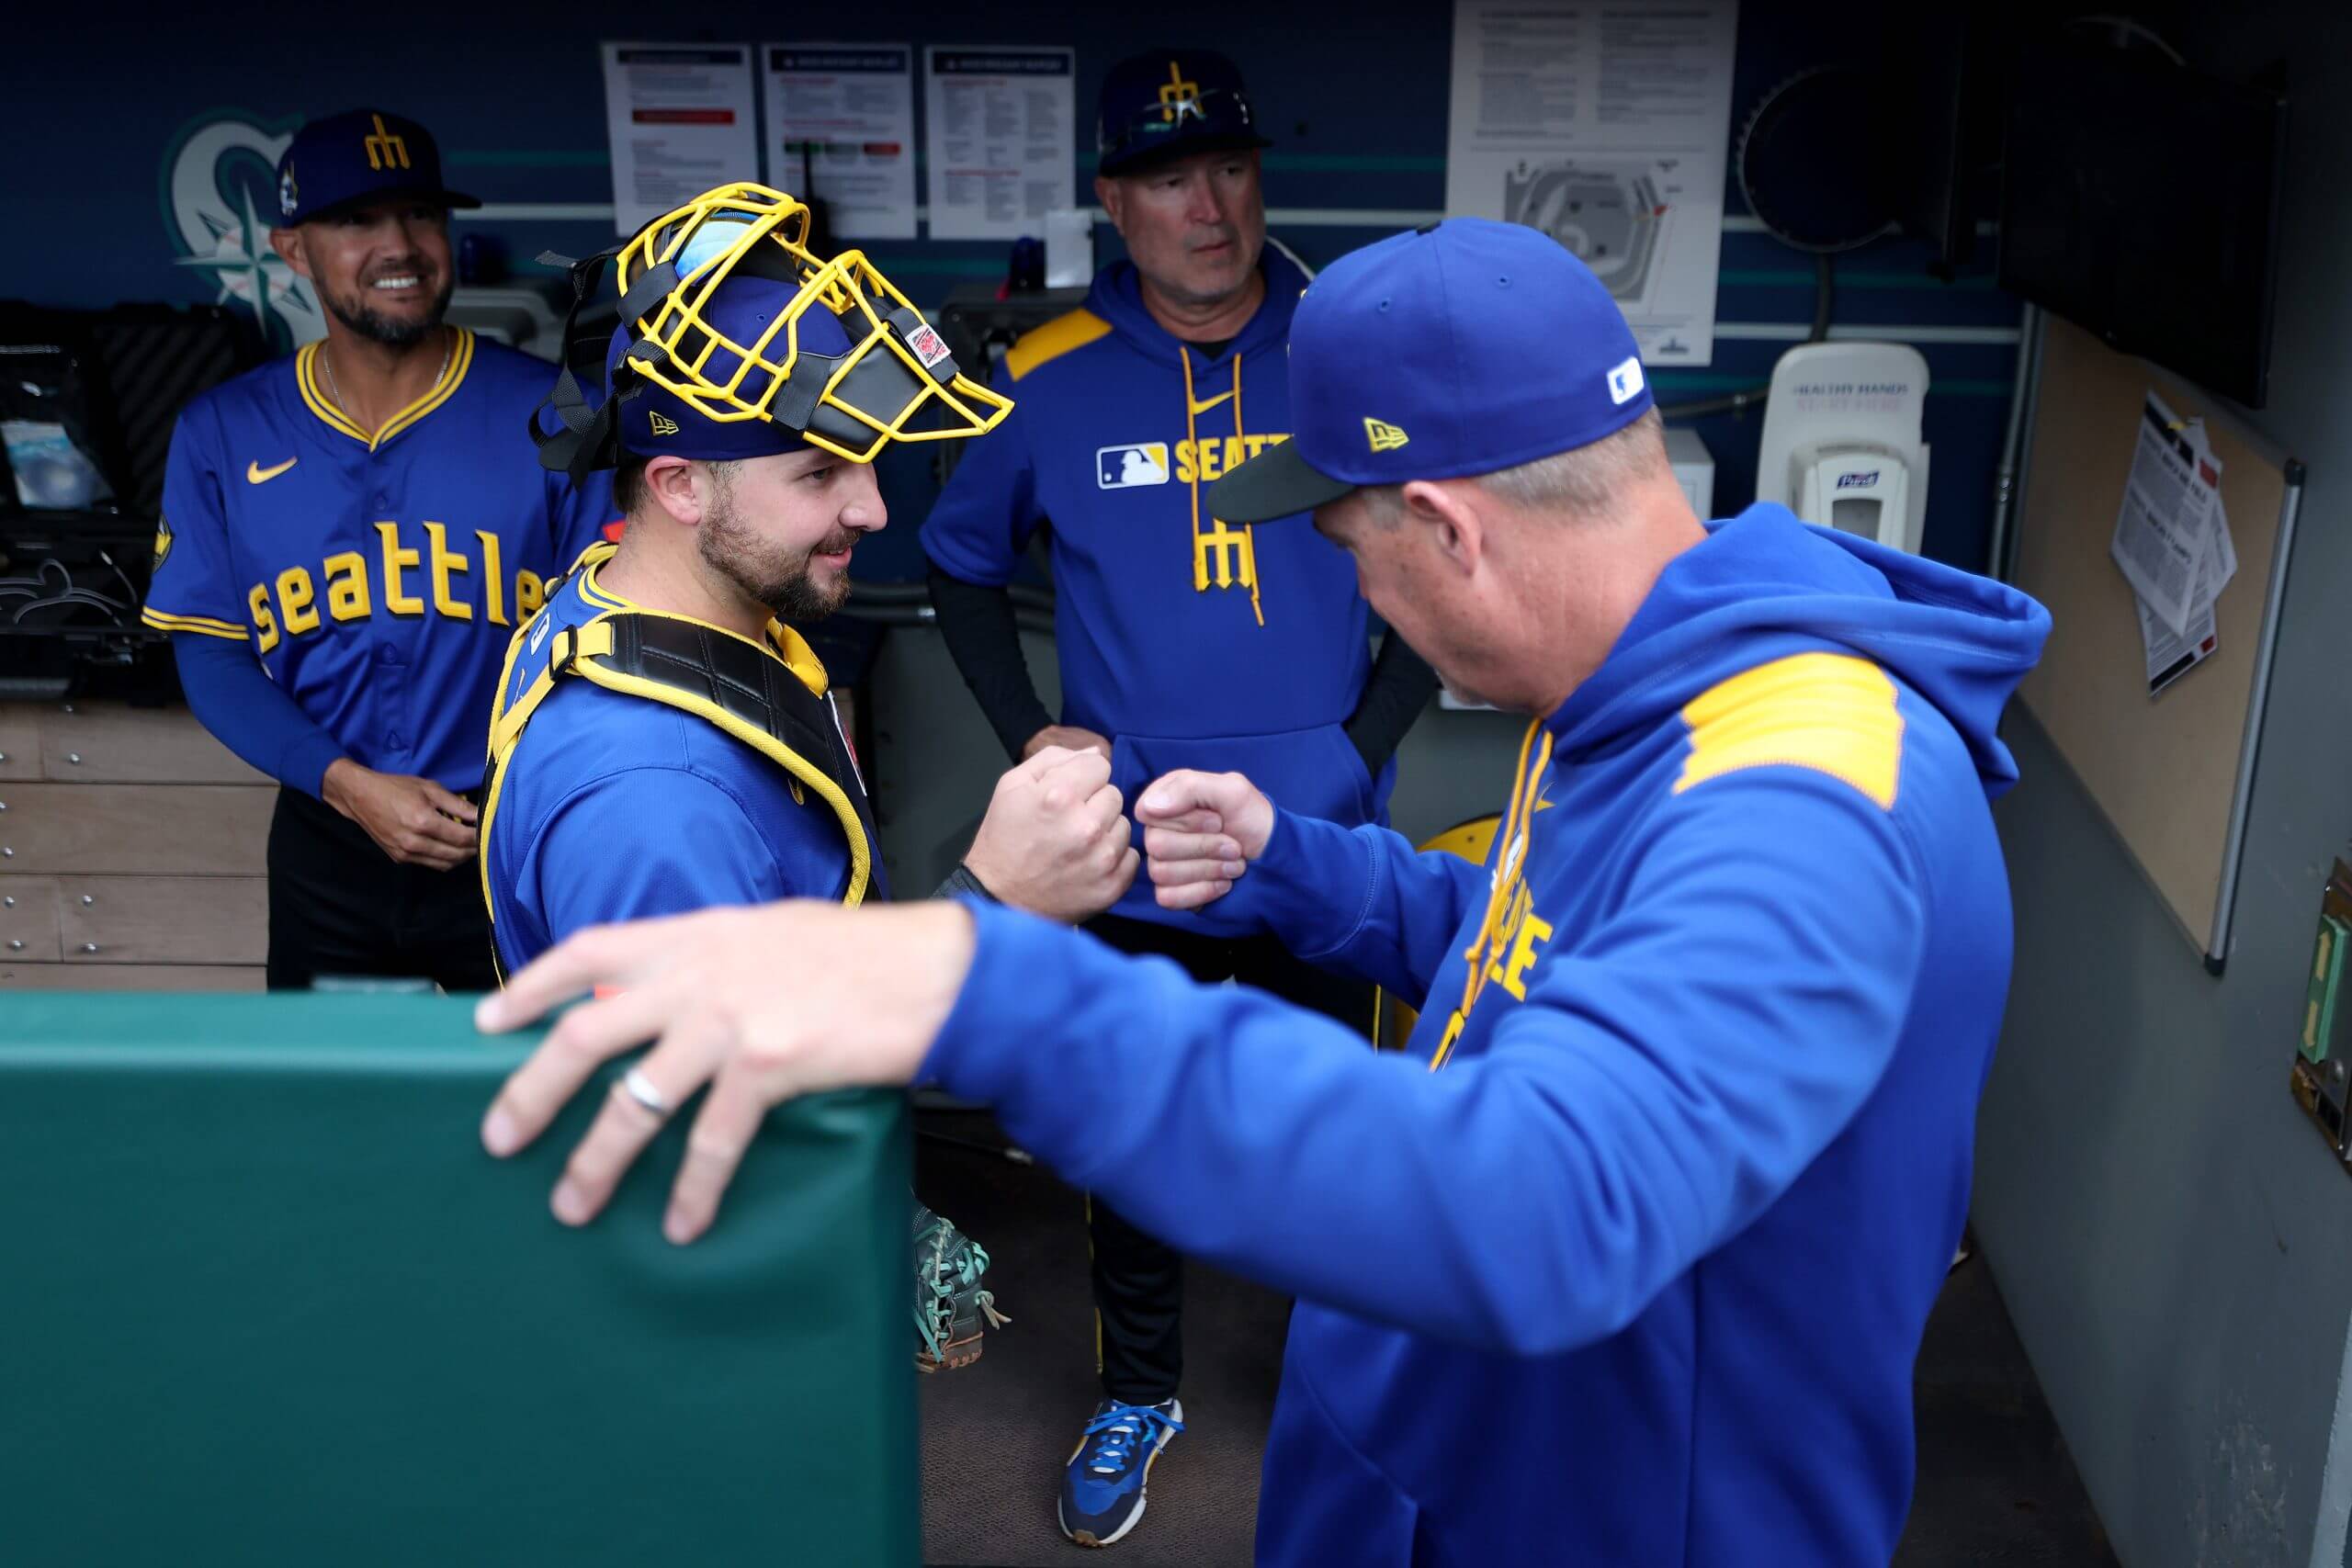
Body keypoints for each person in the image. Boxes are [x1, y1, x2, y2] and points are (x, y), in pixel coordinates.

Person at [475, 220, 2052, 1565]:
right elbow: (1552, 954)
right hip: (1459, 1466)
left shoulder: (1802, 800)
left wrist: (992, 984)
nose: (1356, 595)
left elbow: (1552, 1200)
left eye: (1351, 550)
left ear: (1446, 527)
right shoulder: (1669, 690)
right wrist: (1305, 869)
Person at [919, 49, 1437, 1542]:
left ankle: (1357, 1395)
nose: (1203, 206)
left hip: (1327, 849)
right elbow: (957, 565)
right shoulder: (1047, 371)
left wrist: (1354, 745)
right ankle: (1140, 1386)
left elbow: (1423, 568)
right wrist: (1035, 737)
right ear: (1112, 200)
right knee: (1132, 1138)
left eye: (1225, 167)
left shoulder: (1345, 346)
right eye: (1163, 177)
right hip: (1130, 856)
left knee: (1339, 1135)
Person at [482, 182, 1121, 1370]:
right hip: (713, 1326)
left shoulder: (662, 586)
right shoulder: (651, 795)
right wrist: (997, 902)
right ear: (679, 482)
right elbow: (710, 1130)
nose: (875, 506)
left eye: (866, 464)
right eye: (820, 473)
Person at [141, 107, 614, 991]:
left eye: (421, 215)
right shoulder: (222, 429)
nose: (399, 244)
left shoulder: (560, 412)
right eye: (356, 220)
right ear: (292, 247)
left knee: (532, 1099)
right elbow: (209, 654)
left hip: (512, 828)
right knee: (333, 1109)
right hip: (331, 838)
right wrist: (348, 784)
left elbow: (612, 639)